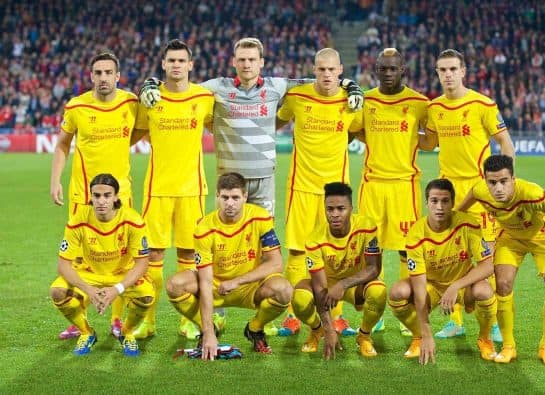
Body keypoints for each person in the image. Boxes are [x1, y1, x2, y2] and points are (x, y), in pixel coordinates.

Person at [139, 37, 363, 337]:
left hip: (263, 180)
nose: (246, 64)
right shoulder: (216, 88)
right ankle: (215, 313)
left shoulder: (277, 86)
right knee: (221, 245)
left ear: (261, 62)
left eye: (252, 60)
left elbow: (321, 78)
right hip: (231, 182)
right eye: (241, 59)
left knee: (263, 247)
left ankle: (264, 316)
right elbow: (180, 83)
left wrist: (351, 84)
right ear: (234, 61)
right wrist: (150, 82)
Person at [420, 48, 514, 340]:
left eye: (452, 69)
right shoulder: (434, 108)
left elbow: (505, 143)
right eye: (442, 70)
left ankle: (494, 322)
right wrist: (402, 131)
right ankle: (455, 321)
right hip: (447, 193)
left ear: (463, 71)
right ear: (437, 73)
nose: (447, 75)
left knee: (489, 257)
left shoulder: (483, 104)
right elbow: (429, 143)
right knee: (450, 257)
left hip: (479, 193)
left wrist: (504, 183)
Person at [50, 52, 139, 340]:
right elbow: (63, 145)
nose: (103, 78)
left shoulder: (130, 103)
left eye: (108, 72)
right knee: (79, 260)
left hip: (121, 196)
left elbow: (137, 133)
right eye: (98, 72)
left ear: (118, 75)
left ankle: (116, 319)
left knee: (122, 259)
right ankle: (79, 320)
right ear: (91, 76)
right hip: (83, 196)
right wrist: (56, 181)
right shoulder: (76, 106)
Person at [277, 48, 363, 337]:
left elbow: (363, 130)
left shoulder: (351, 104)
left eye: (332, 69)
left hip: (335, 196)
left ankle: (337, 316)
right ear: (314, 70)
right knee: (297, 252)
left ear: (341, 70)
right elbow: (276, 121)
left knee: (336, 254)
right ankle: (292, 316)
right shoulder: (297, 97)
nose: (327, 74)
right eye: (321, 69)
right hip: (300, 188)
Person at [132, 39, 214, 340]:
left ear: (190, 65)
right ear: (163, 65)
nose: (177, 65)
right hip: (157, 190)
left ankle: (187, 320)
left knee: (189, 255)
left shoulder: (205, 97)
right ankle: (149, 322)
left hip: (192, 190)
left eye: (182, 60)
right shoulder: (150, 99)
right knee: (152, 255)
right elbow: (135, 133)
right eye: (172, 61)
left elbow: (220, 122)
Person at [165, 172, 292, 358]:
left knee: (284, 290)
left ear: (245, 197)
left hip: (249, 287)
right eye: (225, 197)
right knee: (174, 285)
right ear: (217, 196)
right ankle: (209, 328)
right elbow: (206, 282)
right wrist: (207, 333)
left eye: (235, 197)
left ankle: (255, 329)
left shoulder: (260, 218)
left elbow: (276, 263)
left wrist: (238, 281)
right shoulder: (204, 229)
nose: (230, 203)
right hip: (216, 286)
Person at [458, 154, 545, 366]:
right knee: (503, 283)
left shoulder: (533, 193)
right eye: (492, 182)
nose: (498, 188)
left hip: (541, 236)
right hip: (510, 238)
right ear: (485, 180)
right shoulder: (481, 190)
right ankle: (509, 347)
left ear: (513, 179)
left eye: (503, 181)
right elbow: (464, 205)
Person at [354, 47, 430, 336]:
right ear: (376, 70)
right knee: (371, 248)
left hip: (404, 186)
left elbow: (432, 137)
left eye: (392, 68)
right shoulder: (367, 101)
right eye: (382, 69)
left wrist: (410, 138)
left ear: (403, 70)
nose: (387, 73)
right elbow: (355, 130)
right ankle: (377, 310)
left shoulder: (419, 103)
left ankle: (405, 309)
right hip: (372, 184)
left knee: (405, 248)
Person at [388, 179, 497, 365]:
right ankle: (418, 337)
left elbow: (488, 266)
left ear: (453, 203)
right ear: (427, 203)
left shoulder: (468, 224)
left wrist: (455, 286)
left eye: (445, 201)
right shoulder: (415, 235)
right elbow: (420, 286)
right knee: (398, 293)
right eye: (434, 201)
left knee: (484, 291)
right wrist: (426, 333)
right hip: (432, 285)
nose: (439, 207)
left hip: (463, 283)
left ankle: (485, 338)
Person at [49, 174, 154, 357]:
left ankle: (126, 332)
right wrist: (88, 289)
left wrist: (117, 289)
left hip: (121, 274)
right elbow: (63, 266)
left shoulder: (132, 219)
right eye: (96, 196)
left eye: (107, 195)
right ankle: (86, 332)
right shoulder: (79, 218)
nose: (101, 201)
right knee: (57, 292)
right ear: (91, 196)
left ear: (116, 197)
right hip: (90, 274)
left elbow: (142, 264)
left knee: (146, 296)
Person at [291, 182, 385, 359]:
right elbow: (319, 287)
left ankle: (364, 336)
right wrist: (328, 329)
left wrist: (343, 284)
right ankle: (316, 331)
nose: (334, 214)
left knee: (378, 292)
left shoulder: (367, 226)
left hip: (355, 285)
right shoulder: (314, 240)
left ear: (351, 208)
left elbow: (374, 268)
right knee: (300, 298)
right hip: (326, 287)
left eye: (341, 209)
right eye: (330, 209)